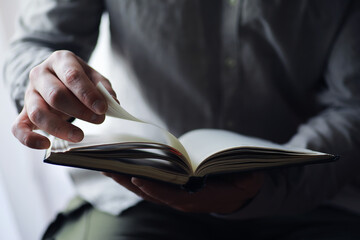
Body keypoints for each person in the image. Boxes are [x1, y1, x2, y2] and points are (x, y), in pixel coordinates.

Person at [4, 0, 360, 239]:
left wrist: (272, 187)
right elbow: (36, 43)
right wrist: (42, 84)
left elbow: (353, 107)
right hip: (135, 195)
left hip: (308, 194)